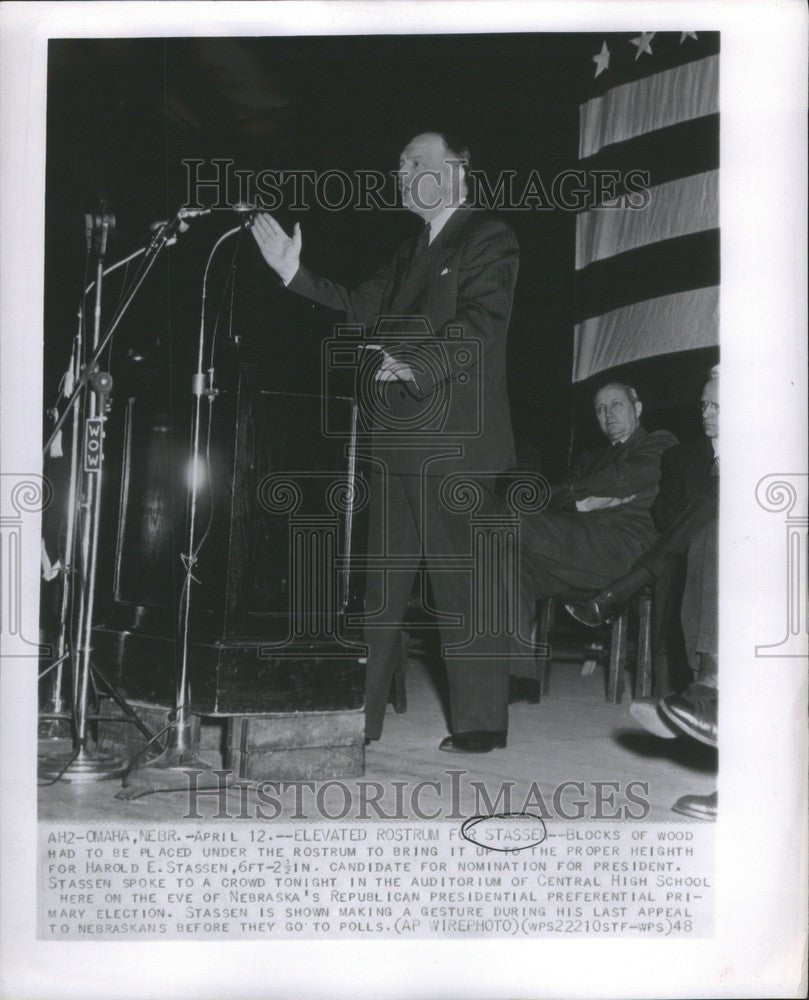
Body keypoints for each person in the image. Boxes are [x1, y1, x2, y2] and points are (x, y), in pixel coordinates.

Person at [250, 132, 520, 753]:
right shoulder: (410, 252)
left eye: (413, 163)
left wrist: (417, 364)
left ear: (455, 171)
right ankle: (359, 719)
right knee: (380, 589)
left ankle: (481, 725)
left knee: (461, 586)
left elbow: (480, 325)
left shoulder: (489, 236)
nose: (399, 173)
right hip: (397, 438)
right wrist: (292, 271)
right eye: (399, 164)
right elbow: (355, 306)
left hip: (456, 443)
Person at [567, 370, 720, 820]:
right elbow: (667, 510)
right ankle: (702, 692)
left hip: (742, 555)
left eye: (719, 408)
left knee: (711, 526)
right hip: (689, 552)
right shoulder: (684, 456)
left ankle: (702, 691)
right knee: (701, 535)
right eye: (705, 406)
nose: (708, 415)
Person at [515, 383, 677, 636]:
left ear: (637, 408)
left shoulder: (659, 442)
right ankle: (518, 674)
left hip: (625, 552)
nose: (608, 413)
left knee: (512, 520)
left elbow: (623, 477)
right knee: (507, 571)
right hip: (579, 549)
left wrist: (574, 494)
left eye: (616, 404)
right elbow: (551, 499)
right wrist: (584, 503)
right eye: (600, 409)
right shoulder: (590, 458)